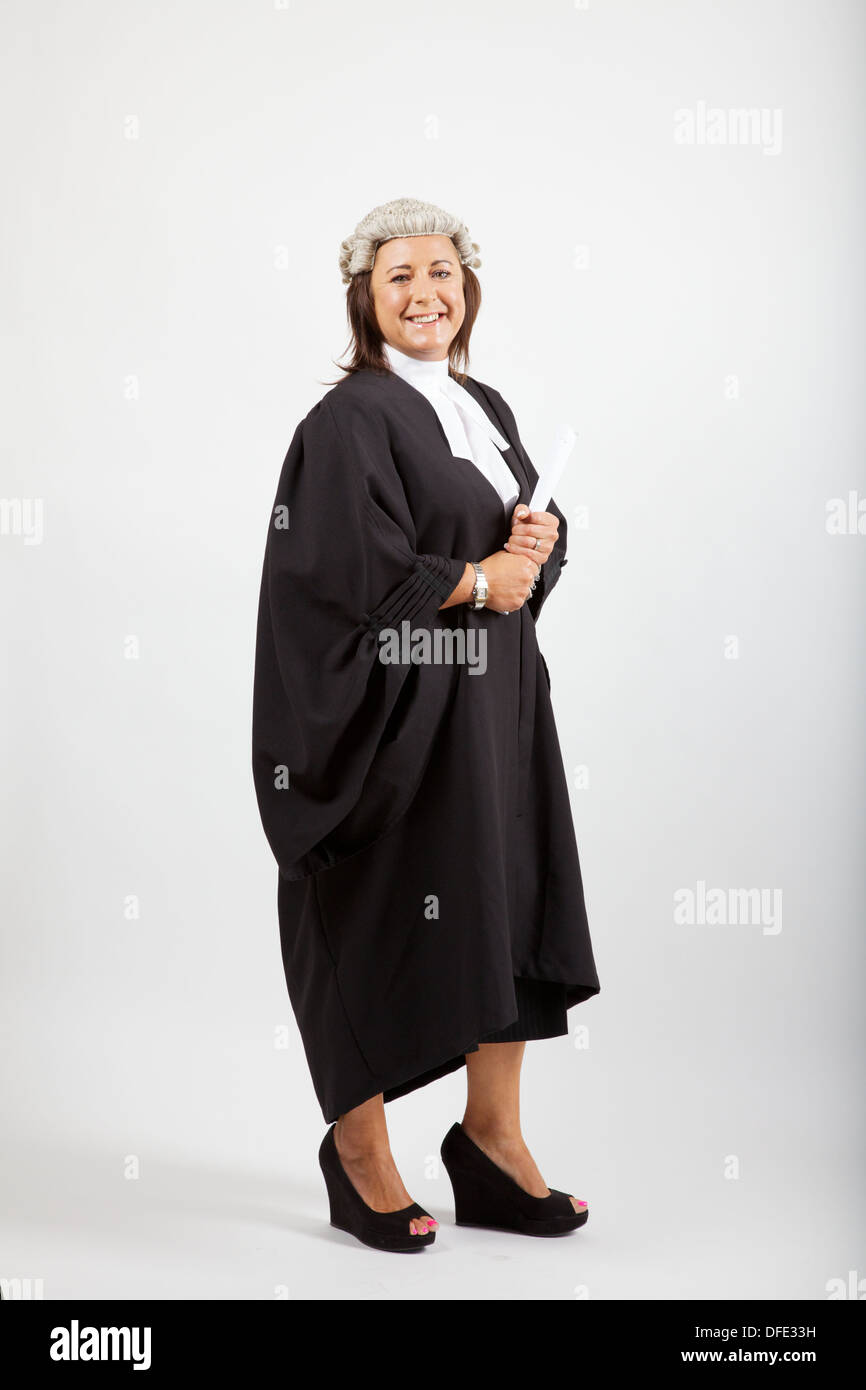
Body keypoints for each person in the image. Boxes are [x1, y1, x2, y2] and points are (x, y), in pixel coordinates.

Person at [252, 197, 600, 1252]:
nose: (425, 294)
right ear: (365, 296)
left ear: (468, 288)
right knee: (371, 907)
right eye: (399, 275)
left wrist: (534, 547)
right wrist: (473, 578)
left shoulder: (479, 402)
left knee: (504, 897)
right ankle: (357, 1151)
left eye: (442, 273)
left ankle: (489, 1143)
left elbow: (504, 556)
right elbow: (340, 568)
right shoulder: (346, 421)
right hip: (395, 714)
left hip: (492, 704)